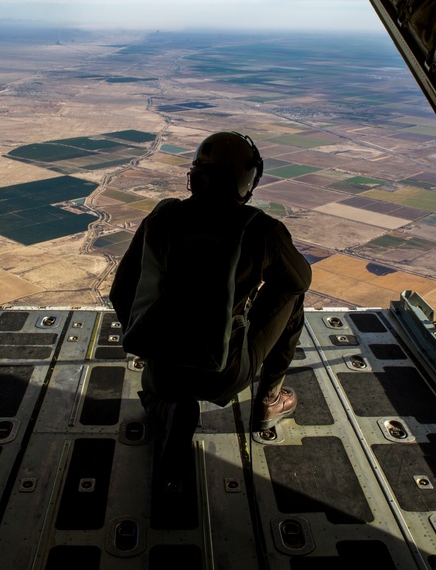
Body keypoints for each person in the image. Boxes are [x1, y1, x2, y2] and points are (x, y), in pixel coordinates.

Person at [109, 131, 312, 478]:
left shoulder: (163, 218)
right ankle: (269, 401)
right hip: (224, 375)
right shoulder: (260, 229)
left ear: (196, 175)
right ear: (247, 181)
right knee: (293, 295)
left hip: (164, 372)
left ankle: (168, 407)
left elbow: (121, 291)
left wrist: (154, 343)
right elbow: (299, 280)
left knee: (159, 393)